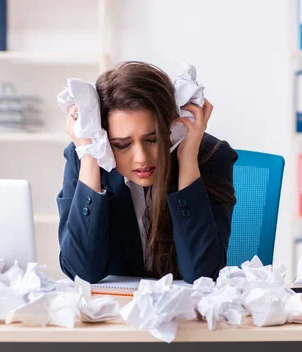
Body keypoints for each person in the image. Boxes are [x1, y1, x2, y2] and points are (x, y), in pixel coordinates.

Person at [57, 61, 237, 284]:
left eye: (153, 139)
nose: (141, 157)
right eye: (122, 144)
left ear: (171, 129)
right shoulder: (85, 158)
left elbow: (202, 274)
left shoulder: (211, 158)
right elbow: (81, 272)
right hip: (115, 311)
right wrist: (90, 158)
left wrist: (188, 160)